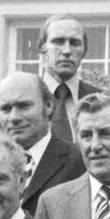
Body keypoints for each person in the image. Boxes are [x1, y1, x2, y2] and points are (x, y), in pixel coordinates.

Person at [0, 72, 85, 215]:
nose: (14, 117)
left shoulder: (79, 161)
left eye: (24, 106)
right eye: (6, 109)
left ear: (48, 106)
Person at [39, 13, 101, 141]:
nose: (67, 51)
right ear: (43, 49)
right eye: (58, 42)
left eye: (75, 43)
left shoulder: (100, 100)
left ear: (84, 51)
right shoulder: (22, 100)